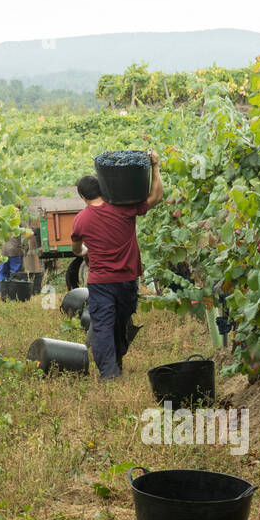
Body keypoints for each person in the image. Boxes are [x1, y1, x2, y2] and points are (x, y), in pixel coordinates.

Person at [69, 153, 164, 379]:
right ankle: (114, 365)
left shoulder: (81, 219)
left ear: (83, 196)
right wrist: (155, 166)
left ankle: (110, 373)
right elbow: (156, 197)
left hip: (101, 283)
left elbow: (75, 249)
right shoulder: (123, 208)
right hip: (128, 280)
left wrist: (86, 252)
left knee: (103, 327)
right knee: (121, 323)